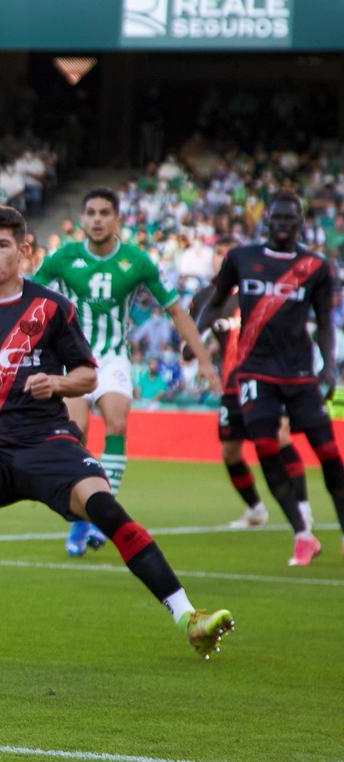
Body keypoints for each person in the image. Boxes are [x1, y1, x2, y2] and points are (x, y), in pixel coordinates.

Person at [0, 206, 233, 659]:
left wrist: (59, 383)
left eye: (1, 245)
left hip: (49, 440)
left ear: (24, 251)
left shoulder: (49, 308)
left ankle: (190, 617)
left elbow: (88, 376)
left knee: (103, 507)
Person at [33, 187, 221, 556]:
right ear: (83, 219)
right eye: (91, 212)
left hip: (114, 358)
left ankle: (102, 514)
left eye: (105, 212)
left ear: (117, 219)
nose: (98, 219)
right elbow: (26, 299)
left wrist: (202, 358)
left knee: (117, 424)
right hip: (73, 359)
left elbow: (176, 311)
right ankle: (81, 518)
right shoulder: (62, 258)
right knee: (76, 433)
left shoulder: (137, 261)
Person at [202, 192, 344, 565]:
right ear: (266, 221)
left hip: (299, 372)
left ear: (300, 223)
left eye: (289, 219)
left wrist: (328, 367)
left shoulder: (316, 267)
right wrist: (197, 341)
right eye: (276, 218)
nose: (282, 225)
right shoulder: (241, 258)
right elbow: (214, 299)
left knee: (328, 451)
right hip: (254, 371)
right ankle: (302, 533)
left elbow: (326, 324)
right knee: (265, 447)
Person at [187, 272, 310, 530]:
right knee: (230, 451)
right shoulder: (209, 299)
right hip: (231, 385)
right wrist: (203, 357)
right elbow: (195, 342)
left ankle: (302, 507)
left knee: (279, 437)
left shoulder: (265, 293)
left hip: (265, 379)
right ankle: (255, 509)